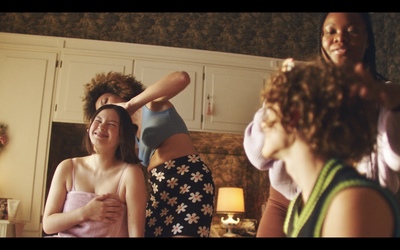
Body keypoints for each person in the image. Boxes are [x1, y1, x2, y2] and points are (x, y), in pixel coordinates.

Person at [243, 12, 400, 237]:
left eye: (352, 30)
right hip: (290, 203)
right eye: (331, 31)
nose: (340, 39)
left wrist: (388, 95)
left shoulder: (354, 200)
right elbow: (258, 155)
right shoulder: (300, 87)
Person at [82, 71, 215, 237]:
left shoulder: (152, 104)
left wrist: (131, 105)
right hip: (158, 187)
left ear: (119, 92)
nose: (106, 107)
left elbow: (182, 78)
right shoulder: (127, 136)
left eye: (105, 101)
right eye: (101, 109)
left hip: (188, 175)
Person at [42, 104, 147, 237]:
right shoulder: (67, 167)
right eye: (97, 121)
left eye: (111, 124)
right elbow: (48, 225)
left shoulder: (130, 174)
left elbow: (136, 233)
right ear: (89, 128)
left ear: (122, 135)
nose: (102, 127)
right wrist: (85, 212)